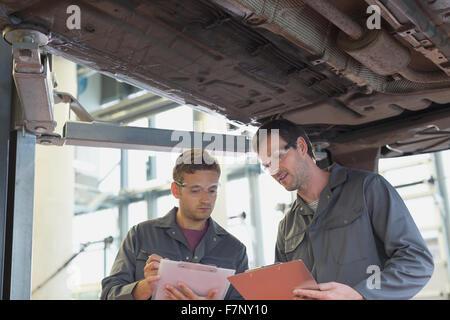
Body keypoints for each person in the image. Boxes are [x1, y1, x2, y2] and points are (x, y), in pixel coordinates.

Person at [252, 119, 434, 300]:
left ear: (301, 147)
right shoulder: (286, 227)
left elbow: (416, 262)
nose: (274, 170)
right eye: (267, 165)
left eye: (277, 157)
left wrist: (361, 294)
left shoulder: (367, 188)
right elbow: (286, 289)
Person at [101, 149, 248, 300]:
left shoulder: (235, 250)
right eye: (196, 191)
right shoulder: (140, 235)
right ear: (175, 190)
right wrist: (145, 287)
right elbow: (108, 295)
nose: (206, 199)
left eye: (212, 190)